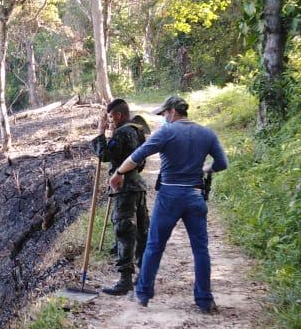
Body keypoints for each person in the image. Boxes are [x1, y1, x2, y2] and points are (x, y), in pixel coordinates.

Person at [109, 95, 228, 313]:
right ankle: (204, 300)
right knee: (200, 249)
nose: (164, 118)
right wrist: (205, 169)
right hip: (195, 195)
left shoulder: (166, 132)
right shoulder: (207, 133)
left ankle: (143, 293)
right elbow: (222, 163)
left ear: (172, 111)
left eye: (164, 113)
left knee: (155, 245)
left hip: (169, 197)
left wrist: (118, 173)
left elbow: (136, 157)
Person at [91, 98, 151, 295]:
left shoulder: (123, 132)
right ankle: (144, 274)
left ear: (118, 115)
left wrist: (100, 133)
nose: (109, 121)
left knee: (125, 230)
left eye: (110, 117)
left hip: (125, 187)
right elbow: (141, 160)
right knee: (142, 231)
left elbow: (105, 155)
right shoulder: (137, 130)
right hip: (138, 185)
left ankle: (125, 280)